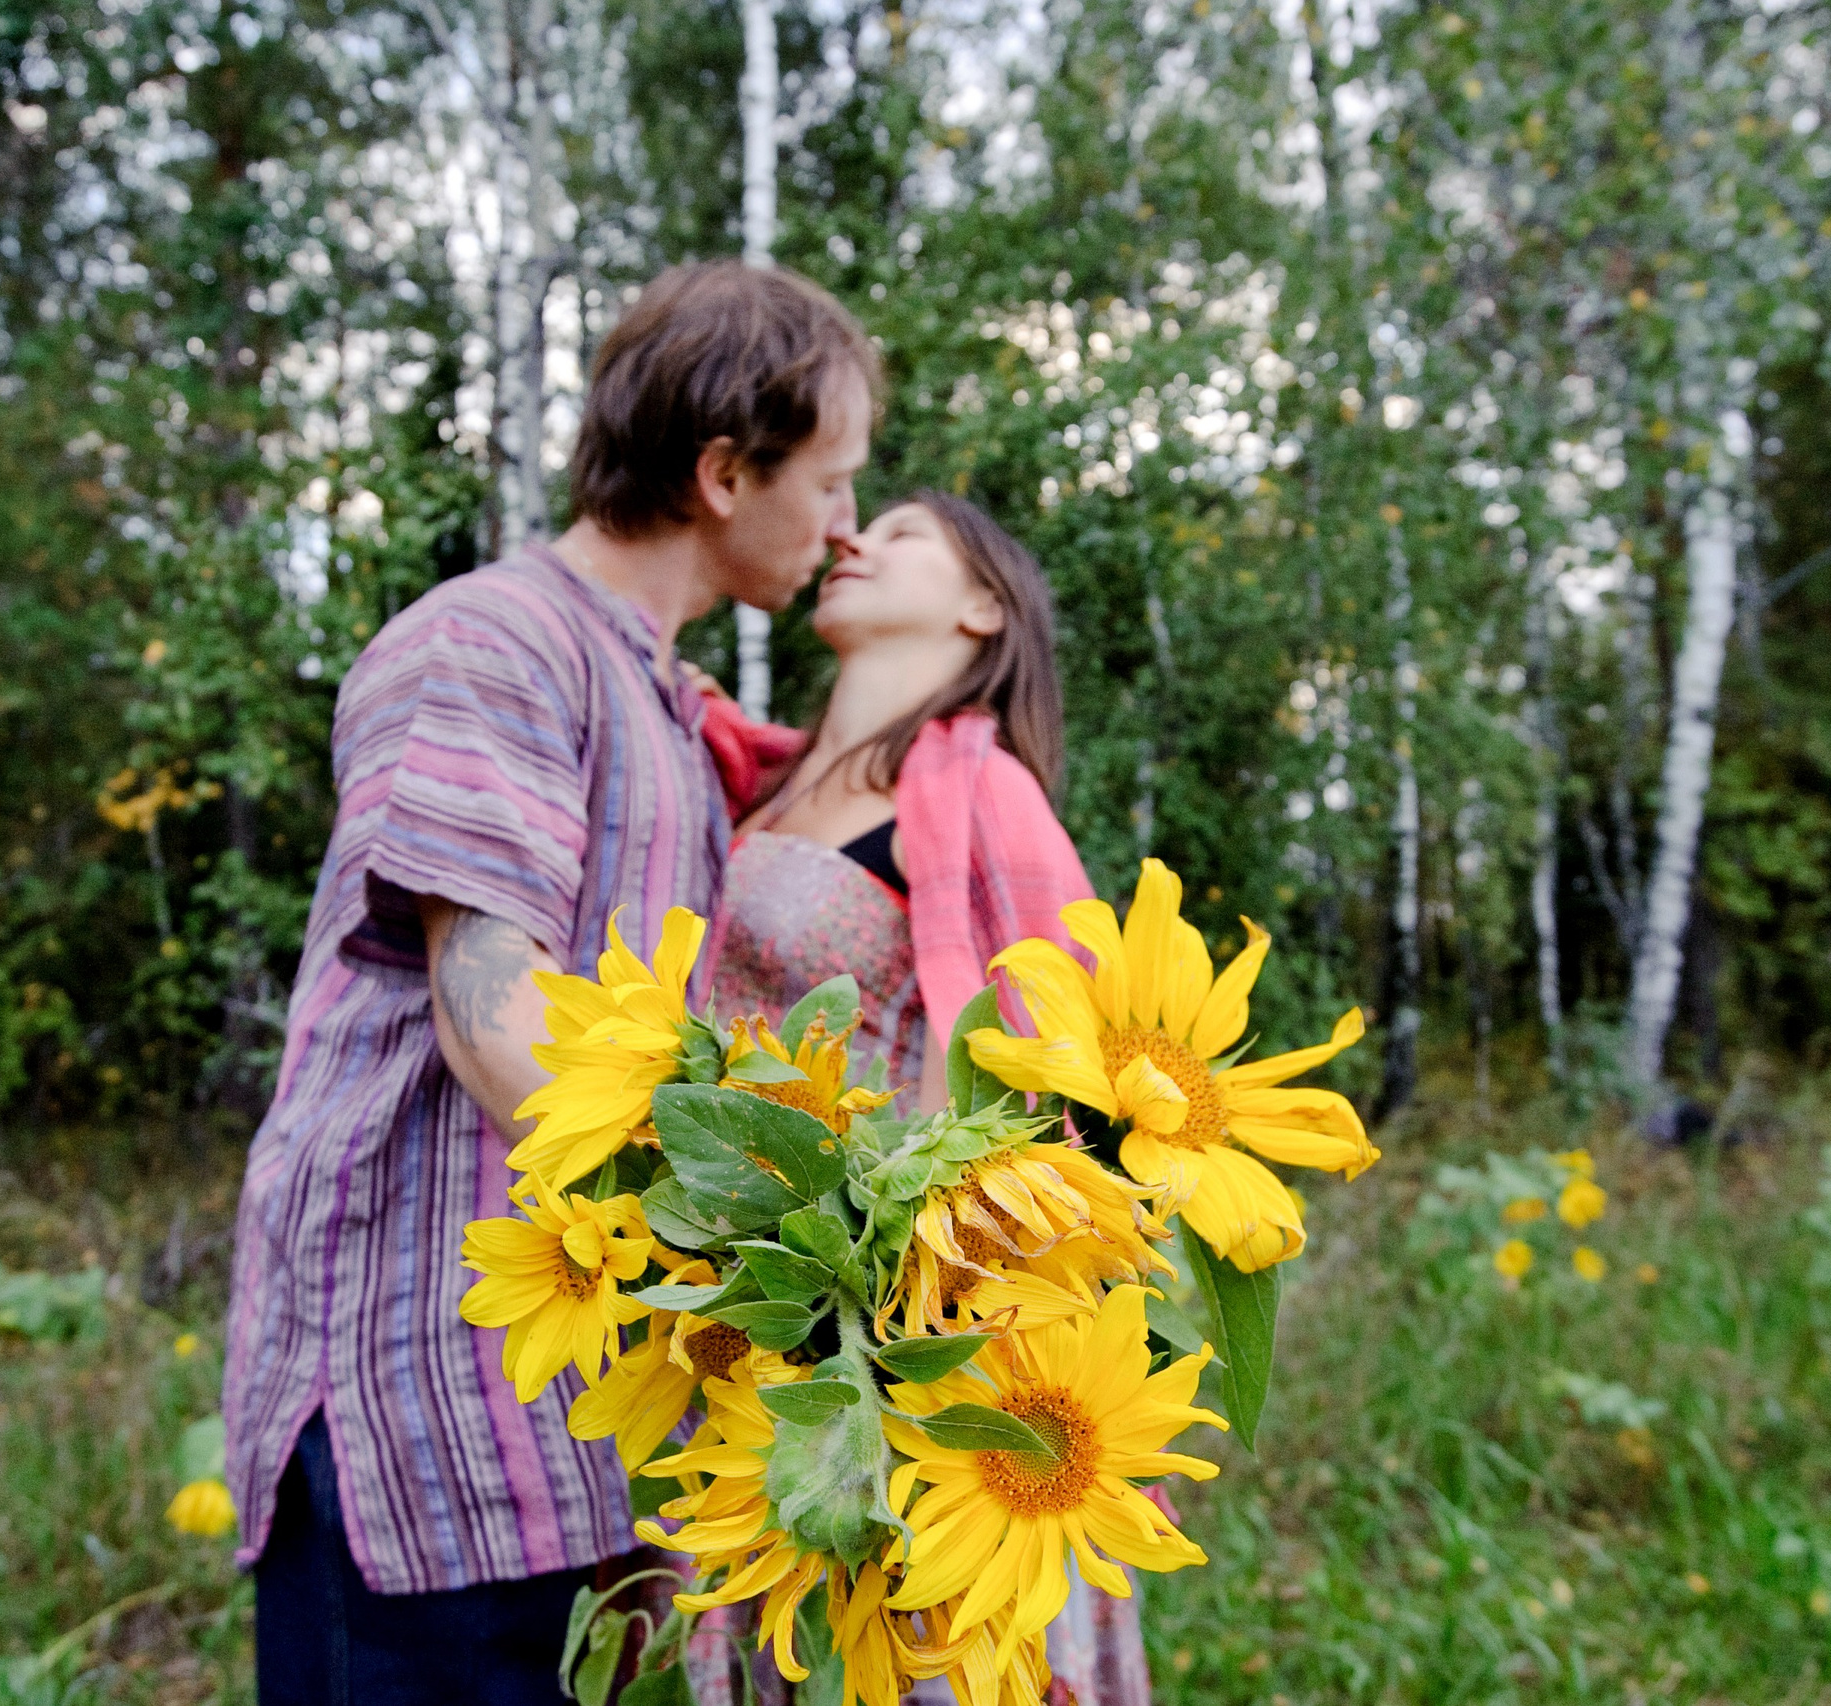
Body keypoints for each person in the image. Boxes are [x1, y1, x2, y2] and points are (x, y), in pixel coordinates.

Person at [220, 260, 879, 1706]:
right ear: (723, 471)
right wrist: (767, 1225)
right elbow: (493, 1009)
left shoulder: (659, 695)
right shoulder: (492, 642)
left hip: (580, 1426)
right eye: (830, 483)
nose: (844, 525)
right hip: (427, 1412)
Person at [695, 493, 1156, 1706]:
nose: (854, 540)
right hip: (761, 1316)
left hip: (920, 1329)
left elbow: (1085, 1062)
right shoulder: (758, 777)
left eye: (901, 534)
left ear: (981, 605)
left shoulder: (977, 788)